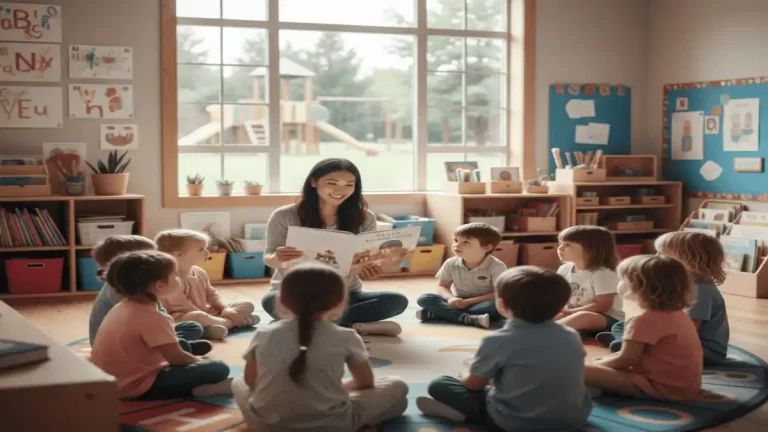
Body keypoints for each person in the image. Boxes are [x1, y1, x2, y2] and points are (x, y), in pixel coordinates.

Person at [232, 262, 409, 432]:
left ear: (280, 301)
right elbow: (365, 382)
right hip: (334, 426)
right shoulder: (347, 336)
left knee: (237, 381)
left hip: (266, 426)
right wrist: (335, 390)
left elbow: (250, 381)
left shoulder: (263, 334)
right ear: (341, 303)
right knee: (397, 388)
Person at [416, 266, 592, 432]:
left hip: (514, 422)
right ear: (561, 307)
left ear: (501, 304)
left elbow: (473, 386)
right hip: (573, 421)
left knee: (440, 384)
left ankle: (463, 417)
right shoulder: (571, 335)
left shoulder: (498, 340)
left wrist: (465, 373)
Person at [261, 158, 409, 336]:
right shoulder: (284, 215)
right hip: (295, 294)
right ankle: (351, 326)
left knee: (396, 301)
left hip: (343, 296)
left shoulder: (365, 218)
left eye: (349, 184)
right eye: (332, 183)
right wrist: (277, 258)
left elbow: (366, 261)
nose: (341, 190)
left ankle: (307, 324)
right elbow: (268, 257)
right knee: (270, 301)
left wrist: (370, 270)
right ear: (313, 182)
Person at [90, 251, 232, 400]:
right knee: (219, 368)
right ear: (160, 285)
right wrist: (198, 362)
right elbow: (176, 358)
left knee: (191, 326)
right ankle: (199, 385)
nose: (179, 278)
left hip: (115, 376)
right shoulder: (153, 317)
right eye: (175, 275)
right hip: (136, 385)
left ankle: (183, 346)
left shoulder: (122, 306)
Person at [600, 232, 730, 364]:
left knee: (637, 331)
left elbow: (689, 331)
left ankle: (627, 346)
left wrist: (655, 336)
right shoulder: (683, 285)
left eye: (662, 254)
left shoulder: (702, 291)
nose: (656, 257)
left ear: (690, 260)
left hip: (704, 350)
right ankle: (627, 344)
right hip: (678, 339)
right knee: (621, 325)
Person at [585, 255, 702, 401]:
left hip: (660, 388)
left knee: (579, 370)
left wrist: (596, 365)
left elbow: (625, 359)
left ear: (638, 284)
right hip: (686, 387)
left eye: (623, 279)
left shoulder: (643, 321)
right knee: (600, 362)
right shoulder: (677, 314)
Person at [88, 235, 211, 355]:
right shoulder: (122, 292)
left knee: (192, 327)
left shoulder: (142, 284)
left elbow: (158, 312)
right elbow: (139, 325)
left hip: (145, 332)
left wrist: (166, 327)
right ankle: (178, 348)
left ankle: (179, 346)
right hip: (121, 345)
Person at [155, 229, 258, 340]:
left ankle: (212, 328)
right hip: (181, 316)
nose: (207, 252)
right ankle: (234, 322)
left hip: (207, 312)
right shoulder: (170, 279)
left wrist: (224, 308)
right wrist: (209, 317)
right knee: (197, 317)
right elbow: (184, 307)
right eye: (201, 249)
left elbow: (211, 294)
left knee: (247, 304)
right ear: (178, 254)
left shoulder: (200, 272)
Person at [416, 223, 506, 328]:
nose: (457, 245)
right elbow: (442, 286)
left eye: (466, 242)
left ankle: (440, 314)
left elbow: (498, 294)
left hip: (482, 303)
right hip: (458, 300)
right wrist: (450, 298)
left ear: (486, 247)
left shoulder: (497, 266)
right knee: (425, 298)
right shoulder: (450, 263)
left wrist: (468, 302)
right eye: (455, 240)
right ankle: (468, 318)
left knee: (497, 307)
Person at [555, 226, 623, 333]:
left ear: (591, 249)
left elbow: (603, 305)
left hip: (608, 317)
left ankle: (546, 332)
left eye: (568, 244)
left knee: (583, 317)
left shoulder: (602, 273)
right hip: (573, 312)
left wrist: (570, 312)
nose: (560, 248)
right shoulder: (564, 269)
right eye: (560, 244)